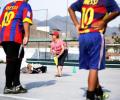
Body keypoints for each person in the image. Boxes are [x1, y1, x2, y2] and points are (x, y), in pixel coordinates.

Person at [68, 0, 120, 100]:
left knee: (92, 67)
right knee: (94, 67)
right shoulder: (106, 1)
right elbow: (117, 11)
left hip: (83, 36)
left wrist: (76, 24)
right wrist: (104, 21)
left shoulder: (84, 0)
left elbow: (70, 8)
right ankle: (90, 96)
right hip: (95, 35)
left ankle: (99, 91)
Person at [0, 0, 32, 94]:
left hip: (4, 37)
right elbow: (26, 20)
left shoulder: (7, 6)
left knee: (17, 59)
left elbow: (1, 22)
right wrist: (26, 35)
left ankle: (16, 85)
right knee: (13, 62)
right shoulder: (25, 5)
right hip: (14, 36)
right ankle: (9, 86)